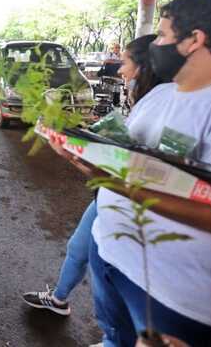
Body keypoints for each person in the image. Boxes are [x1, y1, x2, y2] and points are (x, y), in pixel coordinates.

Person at [47, 0, 211, 346]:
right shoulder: (160, 95)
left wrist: (112, 182)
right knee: (114, 336)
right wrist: (80, 145)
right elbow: (123, 153)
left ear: (194, 41)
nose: (155, 44)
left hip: (176, 296)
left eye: (162, 35)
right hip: (111, 256)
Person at [21, 34, 161, 318]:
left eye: (126, 62)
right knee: (79, 247)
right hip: (108, 195)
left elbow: (133, 170)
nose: (120, 70)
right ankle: (60, 298)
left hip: (126, 206)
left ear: (145, 66)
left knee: (106, 272)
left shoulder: (162, 105)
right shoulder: (147, 103)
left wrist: (73, 153)